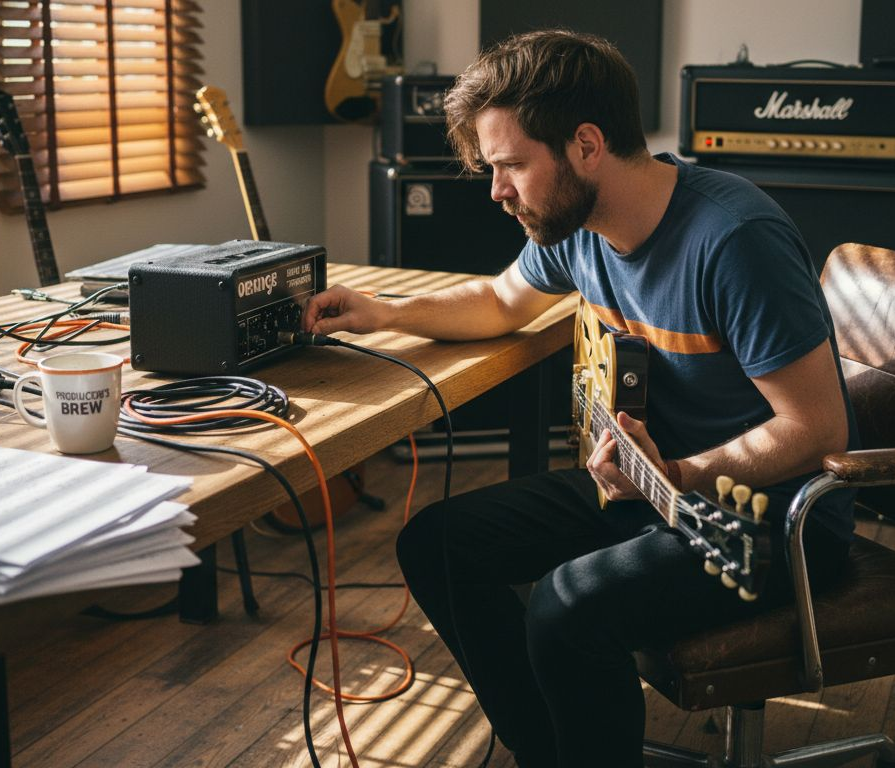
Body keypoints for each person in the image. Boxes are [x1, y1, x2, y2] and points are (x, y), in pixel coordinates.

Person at [301, 29, 858, 768]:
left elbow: (817, 428)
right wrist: (388, 312)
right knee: (436, 544)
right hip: (653, 488)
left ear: (586, 145)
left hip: (777, 519)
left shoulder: (734, 240)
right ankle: (551, 751)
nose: (498, 191)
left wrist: (679, 475)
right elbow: (502, 301)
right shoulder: (575, 224)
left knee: (568, 606)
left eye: (510, 166)